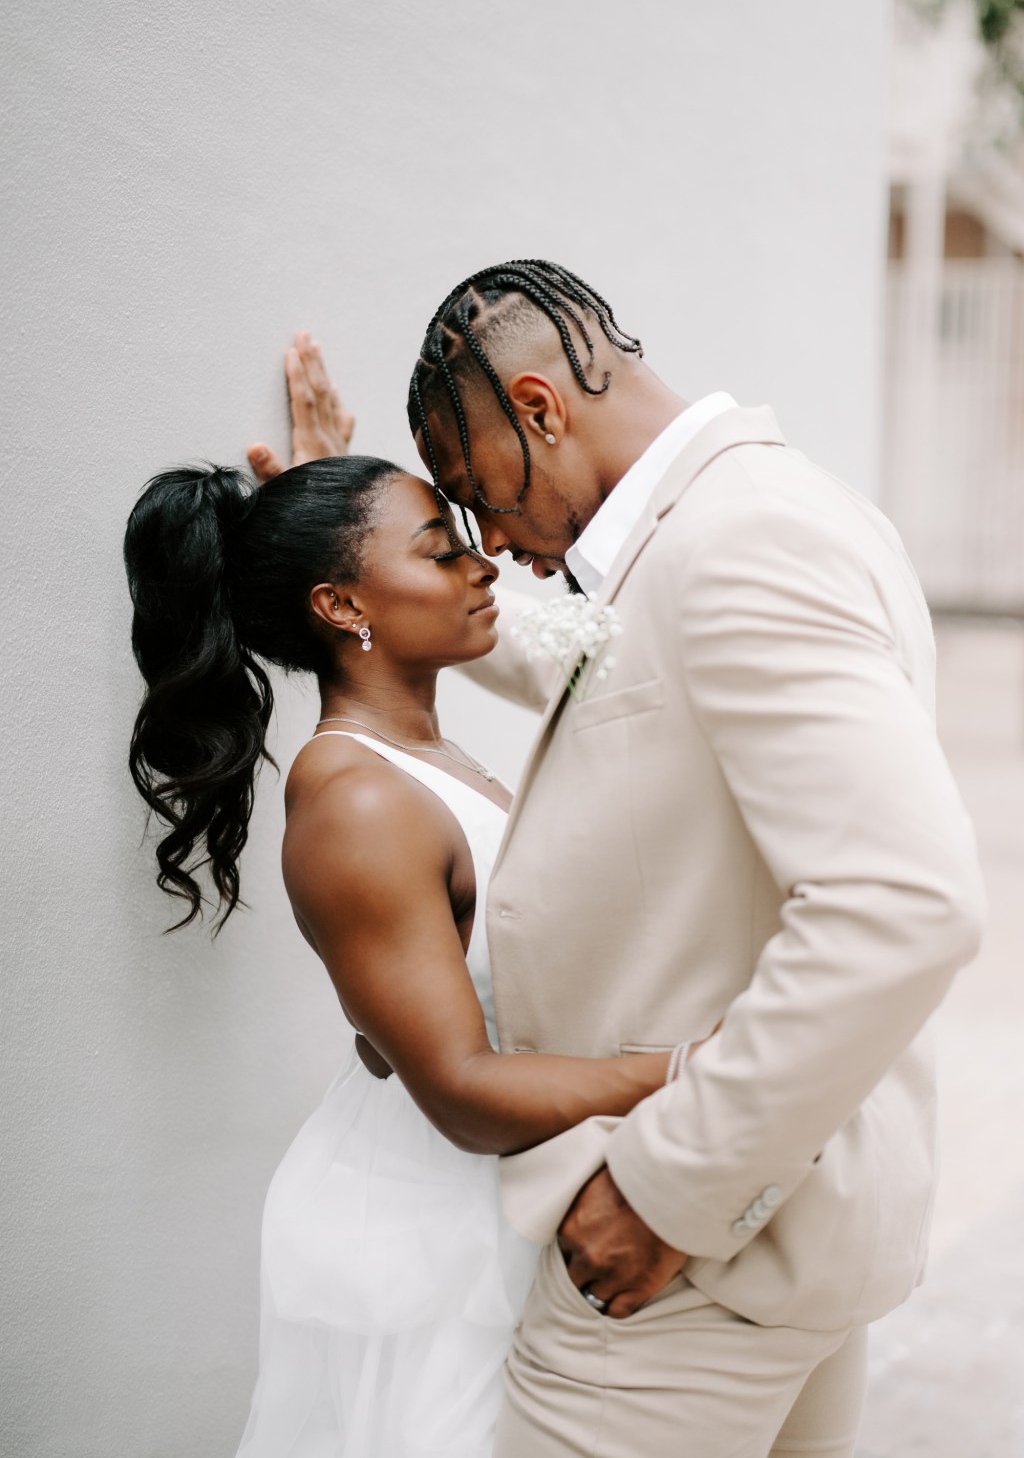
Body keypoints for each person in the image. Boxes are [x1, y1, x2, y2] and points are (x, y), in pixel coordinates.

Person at [251, 260, 986, 1458]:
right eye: (449, 536)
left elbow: (903, 902)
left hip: (687, 1259)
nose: (486, 544)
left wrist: (670, 1189)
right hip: (790, 1243)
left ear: (539, 408)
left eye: (472, 498)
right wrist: (342, 547)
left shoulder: (739, 542)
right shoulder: (745, 522)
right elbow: (594, 664)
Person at [123, 426, 689, 1457]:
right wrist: (694, 1072)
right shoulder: (358, 800)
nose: (484, 568)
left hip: (493, 1207)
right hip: (429, 1234)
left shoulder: (427, 755)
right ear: (341, 606)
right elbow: (464, 1093)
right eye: (441, 549)